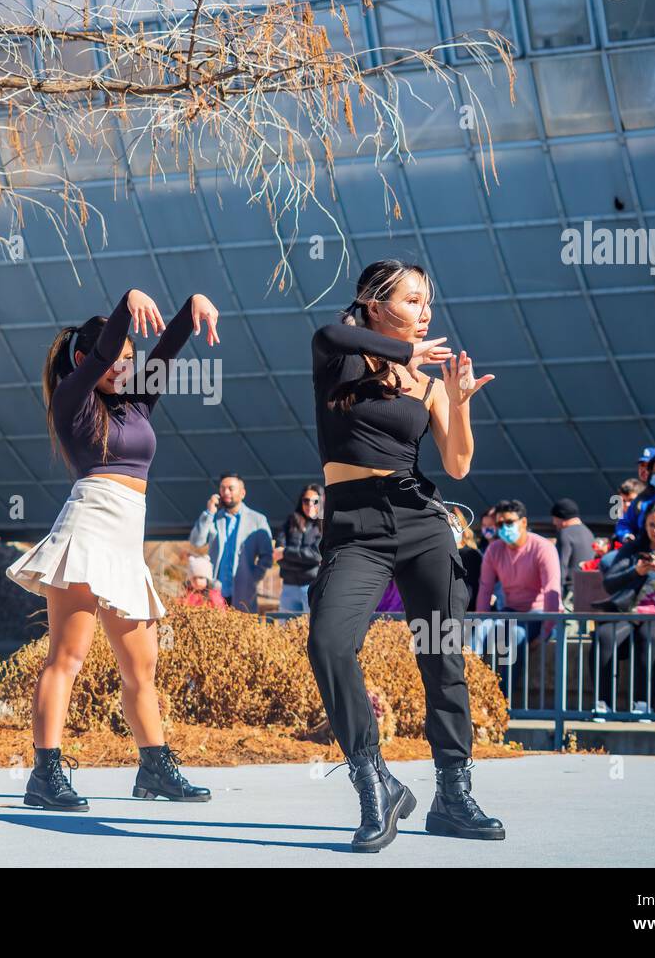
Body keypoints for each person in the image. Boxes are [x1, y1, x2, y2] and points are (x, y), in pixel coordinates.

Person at [305, 258, 503, 853]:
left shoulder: (431, 382)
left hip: (421, 520)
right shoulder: (338, 355)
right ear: (374, 302)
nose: (425, 314)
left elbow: (459, 463)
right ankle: (375, 783)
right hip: (355, 524)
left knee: (441, 653)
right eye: (413, 301)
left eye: (428, 303)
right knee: (329, 643)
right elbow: (328, 332)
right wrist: (398, 358)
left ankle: (452, 793)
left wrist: (460, 401)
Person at [5, 287, 220, 810]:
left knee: (140, 668)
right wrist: (126, 303)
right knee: (67, 658)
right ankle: (45, 774)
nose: (126, 366)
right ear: (85, 360)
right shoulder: (72, 399)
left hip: (126, 544)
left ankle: (153, 769)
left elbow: (165, 352)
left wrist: (190, 309)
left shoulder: (136, 400)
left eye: (130, 359)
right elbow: (104, 351)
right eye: (118, 358)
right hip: (88, 532)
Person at [591, 501, 655, 718]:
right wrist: (636, 571)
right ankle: (603, 702)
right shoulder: (635, 550)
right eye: (651, 525)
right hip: (631, 611)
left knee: (649, 638)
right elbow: (610, 583)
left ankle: (643, 702)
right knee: (605, 636)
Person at [473, 500, 562, 697]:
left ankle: (504, 700)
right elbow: (485, 588)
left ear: (523, 522)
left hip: (536, 614)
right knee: (479, 631)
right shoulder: (494, 550)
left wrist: (546, 632)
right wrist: (481, 618)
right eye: (499, 524)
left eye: (509, 522)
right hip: (510, 611)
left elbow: (551, 590)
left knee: (516, 637)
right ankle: (467, 692)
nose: (504, 528)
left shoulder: (542, 547)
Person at [188, 473, 274, 613]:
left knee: (243, 632)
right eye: (222, 488)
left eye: (231, 488)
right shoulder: (214, 518)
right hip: (215, 593)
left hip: (243, 592)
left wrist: (252, 577)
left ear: (242, 493)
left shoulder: (258, 520)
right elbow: (196, 542)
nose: (226, 492)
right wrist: (209, 512)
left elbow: (267, 556)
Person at [272, 484, 324, 615]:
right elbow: (277, 553)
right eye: (306, 500)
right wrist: (305, 562)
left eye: (315, 501)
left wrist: (286, 553)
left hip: (312, 587)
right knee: (286, 632)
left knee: (311, 630)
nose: (310, 505)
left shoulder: (325, 526)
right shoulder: (290, 522)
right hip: (289, 586)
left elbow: (316, 555)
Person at [551, 498, 594, 608]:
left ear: (562, 518)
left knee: (568, 625)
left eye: (555, 519)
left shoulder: (565, 534)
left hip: (570, 594)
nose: (554, 523)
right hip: (589, 591)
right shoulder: (588, 532)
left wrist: (556, 595)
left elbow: (561, 566)